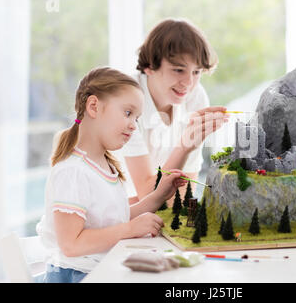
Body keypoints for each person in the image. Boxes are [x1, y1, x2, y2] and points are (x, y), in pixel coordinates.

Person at [36, 67, 188, 283]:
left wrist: (158, 196)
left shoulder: (104, 166)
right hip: (76, 276)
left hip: (99, 272)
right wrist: (130, 229)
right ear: (94, 106)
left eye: (137, 118)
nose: (134, 126)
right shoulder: (73, 171)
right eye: (128, 113)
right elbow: (71, 245)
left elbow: (113, 219)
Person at [118, 18, 229, 205]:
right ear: (150, 66)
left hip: (146, 213)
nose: (188, 83)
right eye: (178, 70)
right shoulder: (126, 100)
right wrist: (185, 146)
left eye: (197, 72)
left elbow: (183, 193)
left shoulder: (195, 96)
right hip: (111, 214)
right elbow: (147, 195)